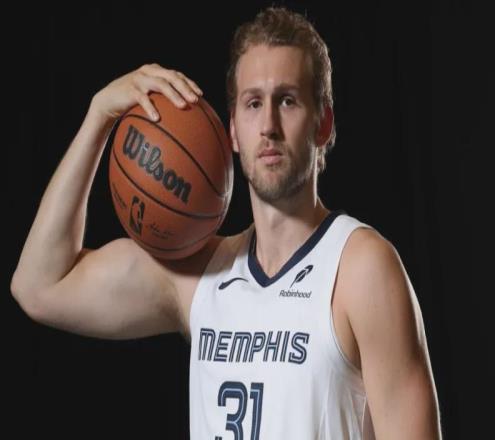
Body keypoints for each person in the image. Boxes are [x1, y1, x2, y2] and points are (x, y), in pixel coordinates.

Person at [11, 7, 442, 440]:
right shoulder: (202, 278)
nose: (268, 125)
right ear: (233, 129)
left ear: (323, 124)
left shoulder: (361, 269)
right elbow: (39, 286)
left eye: (287, 100)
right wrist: (99, 118)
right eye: (253, 103)